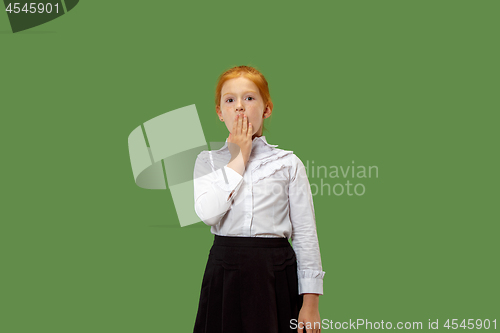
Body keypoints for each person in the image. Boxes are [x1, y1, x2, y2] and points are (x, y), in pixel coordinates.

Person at [193, 65, 325, 333]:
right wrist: (239, 157)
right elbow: (209, 213)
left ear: (266, 109)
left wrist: (310, 303)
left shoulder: (288, 163)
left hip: (273, 272)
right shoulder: (206, 161)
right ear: (220, 112)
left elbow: (305, 234)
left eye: (249, 98)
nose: (239, 107)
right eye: (230, 100)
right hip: (224, 271)